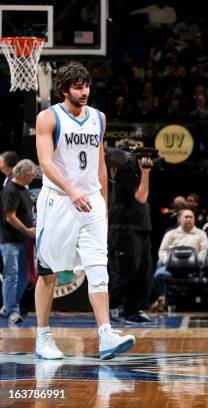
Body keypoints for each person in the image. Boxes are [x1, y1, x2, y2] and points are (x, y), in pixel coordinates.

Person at [34, 61, 135, 360]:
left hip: (91, 201)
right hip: (58, 200)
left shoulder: (99, 118)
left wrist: (103, 200)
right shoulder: (48, 117)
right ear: (64, 90)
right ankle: (43, 336)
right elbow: (46, 162)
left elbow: (100, 163)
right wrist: (71, 189)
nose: (84, 91)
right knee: (48, 271)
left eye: (87, 85)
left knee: (98, 265)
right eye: (78, 86)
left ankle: (106, 333)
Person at [107, 156, 155, 324]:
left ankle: (133, 310)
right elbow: (141, 197)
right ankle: (109, 306)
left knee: (144, 272)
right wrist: (146, 173)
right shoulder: (123, 174)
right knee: (127, 271)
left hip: (141, 229)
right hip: (126, 230)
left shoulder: (133, 174)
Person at [0, 159, 37, 324]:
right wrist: (27, 230)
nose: (32, 178)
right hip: (11, 241)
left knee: (24, 276)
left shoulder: (24, 189)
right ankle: (11, 309)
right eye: (31, 175)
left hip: (23, 240)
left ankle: (10, 306)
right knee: (11, 276)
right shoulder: (11, 190)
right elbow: (10, 217)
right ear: (23, 174)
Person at [153, 209, 208, 310]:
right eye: (186, 217)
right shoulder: (170, 234)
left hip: (193, 269)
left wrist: (195, 262)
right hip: (173, 268)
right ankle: (164, 298)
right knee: (158, 274)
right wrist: (168, 261)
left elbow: (205, 251)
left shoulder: (201, 234)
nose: (189, 219)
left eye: (191, 217)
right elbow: (162, 251)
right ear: (179, 219)